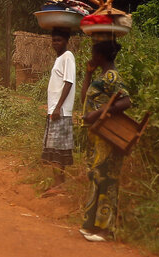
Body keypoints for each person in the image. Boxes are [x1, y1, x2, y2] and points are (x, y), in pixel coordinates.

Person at [78, 39, 131, 242]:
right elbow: (84, 101)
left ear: (101, 55)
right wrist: (88, 74)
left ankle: (105, 229)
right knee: (95, 177)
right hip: (96, 135)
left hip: (107, 136)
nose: (91, 56)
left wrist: (99, 113)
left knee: (107, 179)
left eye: (93, 53)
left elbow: (126, 101)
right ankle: (90, 224)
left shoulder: (112, 76)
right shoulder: (100, 76)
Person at [42, 29, 76, 193]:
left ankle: (58, 184)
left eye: (59, 40)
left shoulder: (68, 56)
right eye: (54, 40)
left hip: (60, 111)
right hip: (55, 110)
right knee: (57, 149)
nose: (56, 43)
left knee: (56, 149)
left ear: (66, 40)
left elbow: (68, 82)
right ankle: (60, 184)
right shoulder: (60, 58)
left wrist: (58, 107)